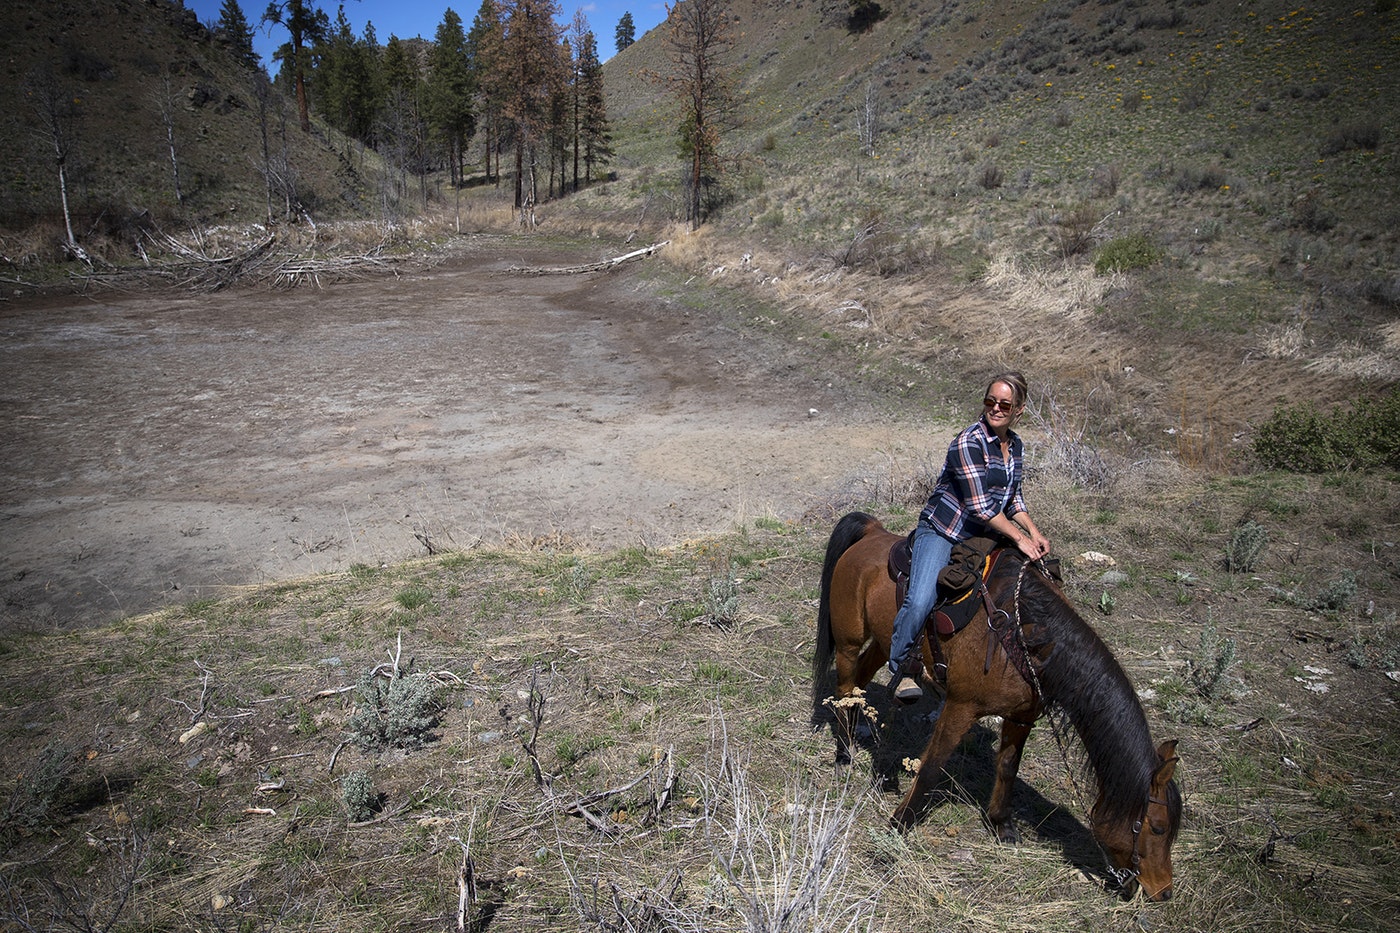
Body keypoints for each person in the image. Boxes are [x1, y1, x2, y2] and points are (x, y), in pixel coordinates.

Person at [886, 371, 1052, 702]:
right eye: (990, 401)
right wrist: (1020, 540)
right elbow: (982, 508)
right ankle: (901, 665)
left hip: (984, 533)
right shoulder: (969, 442)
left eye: (1004, 404)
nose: (996, 408)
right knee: (920, 599)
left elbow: (1012, 498)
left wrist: (1035, 532)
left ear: (1018, 410)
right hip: (947, 530)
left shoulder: (1015, 445)